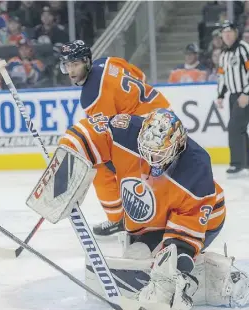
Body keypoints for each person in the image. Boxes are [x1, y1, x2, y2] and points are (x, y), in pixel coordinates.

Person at [36, 108, 249, 310]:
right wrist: (66, 162)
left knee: (169, 268)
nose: (152, 162)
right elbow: (87, 133)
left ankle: (217, 280)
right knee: (138, 256)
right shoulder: (126, 131)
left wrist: (180, 265)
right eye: (147, 153)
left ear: (178, 145)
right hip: (152, 220)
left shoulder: (196, 166)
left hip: (205, 218)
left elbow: (188, 227)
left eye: (160, 154)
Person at [58, 40, 170, 237]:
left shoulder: (92, 94)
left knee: (101, 167)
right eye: (67, 65)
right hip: (165, 115)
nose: (71, 71)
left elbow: (108, 134)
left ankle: (119, 219)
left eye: (75, 64)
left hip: (149, 132)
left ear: (86, 62)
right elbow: (140, 76)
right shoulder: (109, 62)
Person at [217, 20, 249, 178]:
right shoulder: (224, 54)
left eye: (230, 32)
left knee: (234, 127)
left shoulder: (244, 48)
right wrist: (221, 95)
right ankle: (248, 162)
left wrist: (247, 93)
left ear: (236, 33)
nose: (227, 35)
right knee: (240, 128)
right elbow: (222, 76)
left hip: (247, 93)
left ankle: (237, 164)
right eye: (224, 33)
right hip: (234, 95)